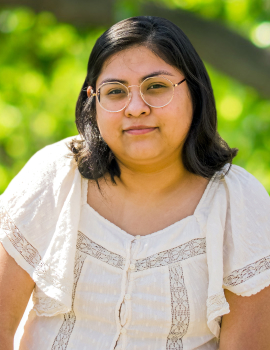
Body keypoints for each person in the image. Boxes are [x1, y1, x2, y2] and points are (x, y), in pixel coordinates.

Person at [0, 15, 270, 350]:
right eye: (115, 92)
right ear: (92, 102)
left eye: (156, 87)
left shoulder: (238, 201)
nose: (136, 108)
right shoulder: (56, 176)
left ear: (196, 93)